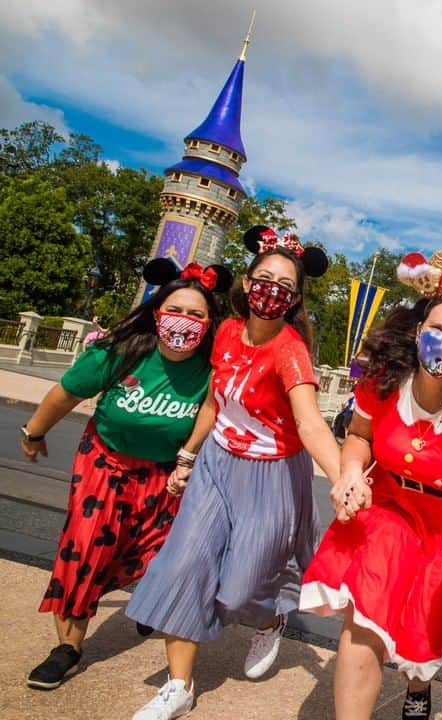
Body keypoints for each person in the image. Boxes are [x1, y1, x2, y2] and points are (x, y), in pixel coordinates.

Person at [300, 250, 442, 720]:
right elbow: (360, 436)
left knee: (423, 632)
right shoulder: (385, 380)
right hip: (390, 507)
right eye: (436, 328)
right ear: (418, 328)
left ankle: (418, 682)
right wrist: (349, 471)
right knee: (365, 614)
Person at [125, 227, 338, 720]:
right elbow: (214, 401)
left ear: (296, 297)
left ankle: (271, 618)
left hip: (273, 475)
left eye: (284, 284)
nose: (271, 290)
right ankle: (179, 686)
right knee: (184, 565)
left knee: (242, 587)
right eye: (264, 278)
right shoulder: (223, 332)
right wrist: (188, 455)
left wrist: (341, 477)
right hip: (217, 466)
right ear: (245, 281)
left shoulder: (291, 351)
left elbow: (309, 421)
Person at [20, 259, 230, 690]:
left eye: (196, 315)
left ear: (210, 324)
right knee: (85, 545)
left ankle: (150, 602)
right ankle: (68, 648)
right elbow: (65, 393)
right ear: (157, 313)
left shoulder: (213, 370)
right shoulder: (121, 352)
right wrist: (35, 431)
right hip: (106, 463)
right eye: (176, 310)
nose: (184, 322)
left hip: (165, 474)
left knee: (161, 553)